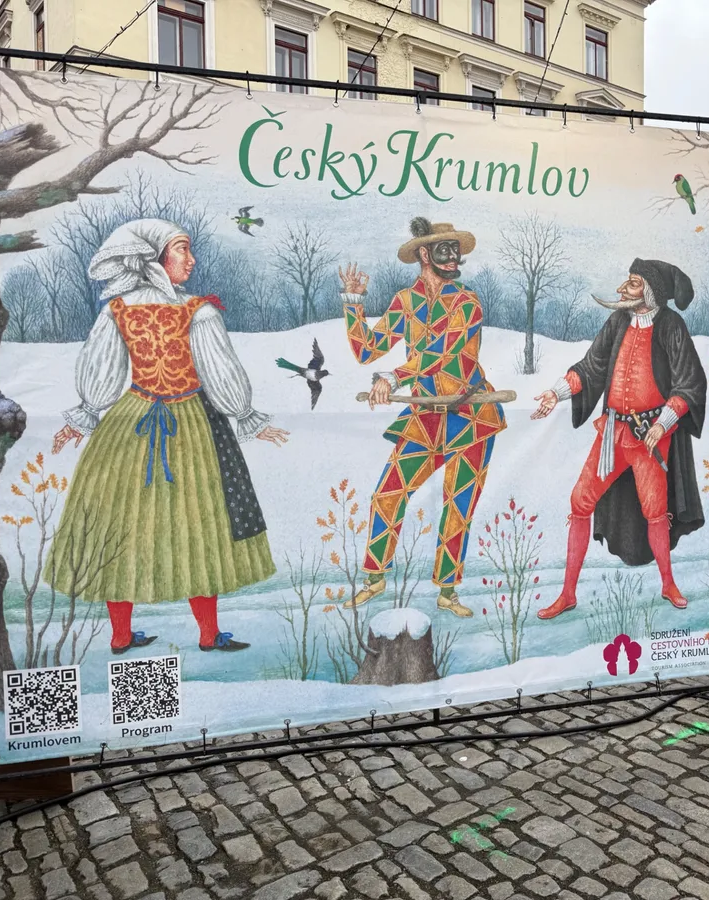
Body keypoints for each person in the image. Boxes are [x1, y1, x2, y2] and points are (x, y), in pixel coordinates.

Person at [47, 219, 289, 654]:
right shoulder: (198, 311)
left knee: (120, 526)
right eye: (182, 250)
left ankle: (124, 635)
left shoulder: (116, 310)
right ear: (154, 260)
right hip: (190, 423)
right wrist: (246, 415)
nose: (191, 260)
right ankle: (206, 634)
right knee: (200, 526)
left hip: (129, 421)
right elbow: (221, 374)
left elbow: (101, 375)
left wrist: (85, 414)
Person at [339, 218, 505, 618]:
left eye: (457, 250)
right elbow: (367, 349)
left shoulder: (468, 301)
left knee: (456, 505)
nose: (454, 258)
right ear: (424, 255)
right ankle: (376, 578)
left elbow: (443, 353)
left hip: (472, 414)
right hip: (425, 413)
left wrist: (394, 375)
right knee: (388, 494)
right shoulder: (405, 301)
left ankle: (448, 591)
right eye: (445, 250)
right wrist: (353, 303)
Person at [531, 259, 707, 620]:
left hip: (650, 438)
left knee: (656, 511)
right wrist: (556, 393)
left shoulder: (672, 325)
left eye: (631, 284)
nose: (621, 290)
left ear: (650, 291)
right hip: (612, 432)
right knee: (580, 501)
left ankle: (668, 583)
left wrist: (664, 421)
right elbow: (591, 367)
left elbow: (690, 382)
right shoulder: (617, 322)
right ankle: (567, 593)